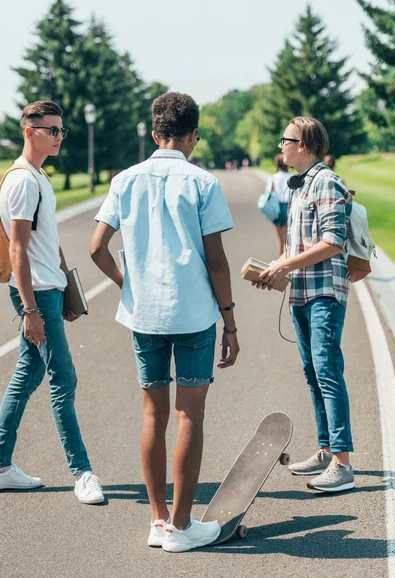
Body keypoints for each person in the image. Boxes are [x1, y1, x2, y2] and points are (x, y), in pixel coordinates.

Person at [90, 92, 239, 551]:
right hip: (193, 313)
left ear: (155, 133)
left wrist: (126, 285)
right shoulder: (202, 182)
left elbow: (96, 248)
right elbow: (216, 261)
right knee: (189, 413)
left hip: (145, 316)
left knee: (153, 413)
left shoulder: (124, 180)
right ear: (193, 134)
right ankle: (182, 525)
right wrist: (230, 322)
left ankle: (157, 522)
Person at [0, 101, 104, 504]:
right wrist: (30, 309)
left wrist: (66, 281)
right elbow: (19, 251)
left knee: (28, 374)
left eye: (62, 131)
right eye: (52, 130)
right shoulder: (23, 181)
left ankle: (2, 465)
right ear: (29, 131)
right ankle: (83, 473)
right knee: (64, 379)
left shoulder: (40, 176)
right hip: (36, 293)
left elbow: (48, 240)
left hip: (49, 287)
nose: (59, 137)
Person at [253, 116, 355, 493]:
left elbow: (333, 242)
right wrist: (279, 271)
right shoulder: (299, 186)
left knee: (328, 372)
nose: (281, 144)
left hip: (324, 294)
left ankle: (343, 464)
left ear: (305, 145)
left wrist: (283, 262)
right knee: (313, 373)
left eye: (287, 139)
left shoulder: (326, 182)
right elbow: (300, 247)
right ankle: (326, 450)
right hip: (301, 292)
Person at [270, 154, 291, 256]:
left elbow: (270, 192)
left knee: (280, 238)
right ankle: (287, 259)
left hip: (277, 207)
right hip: (289, 206)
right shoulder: (291, 177)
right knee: (289, 238)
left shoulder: (274, 177)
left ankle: (280, 259)